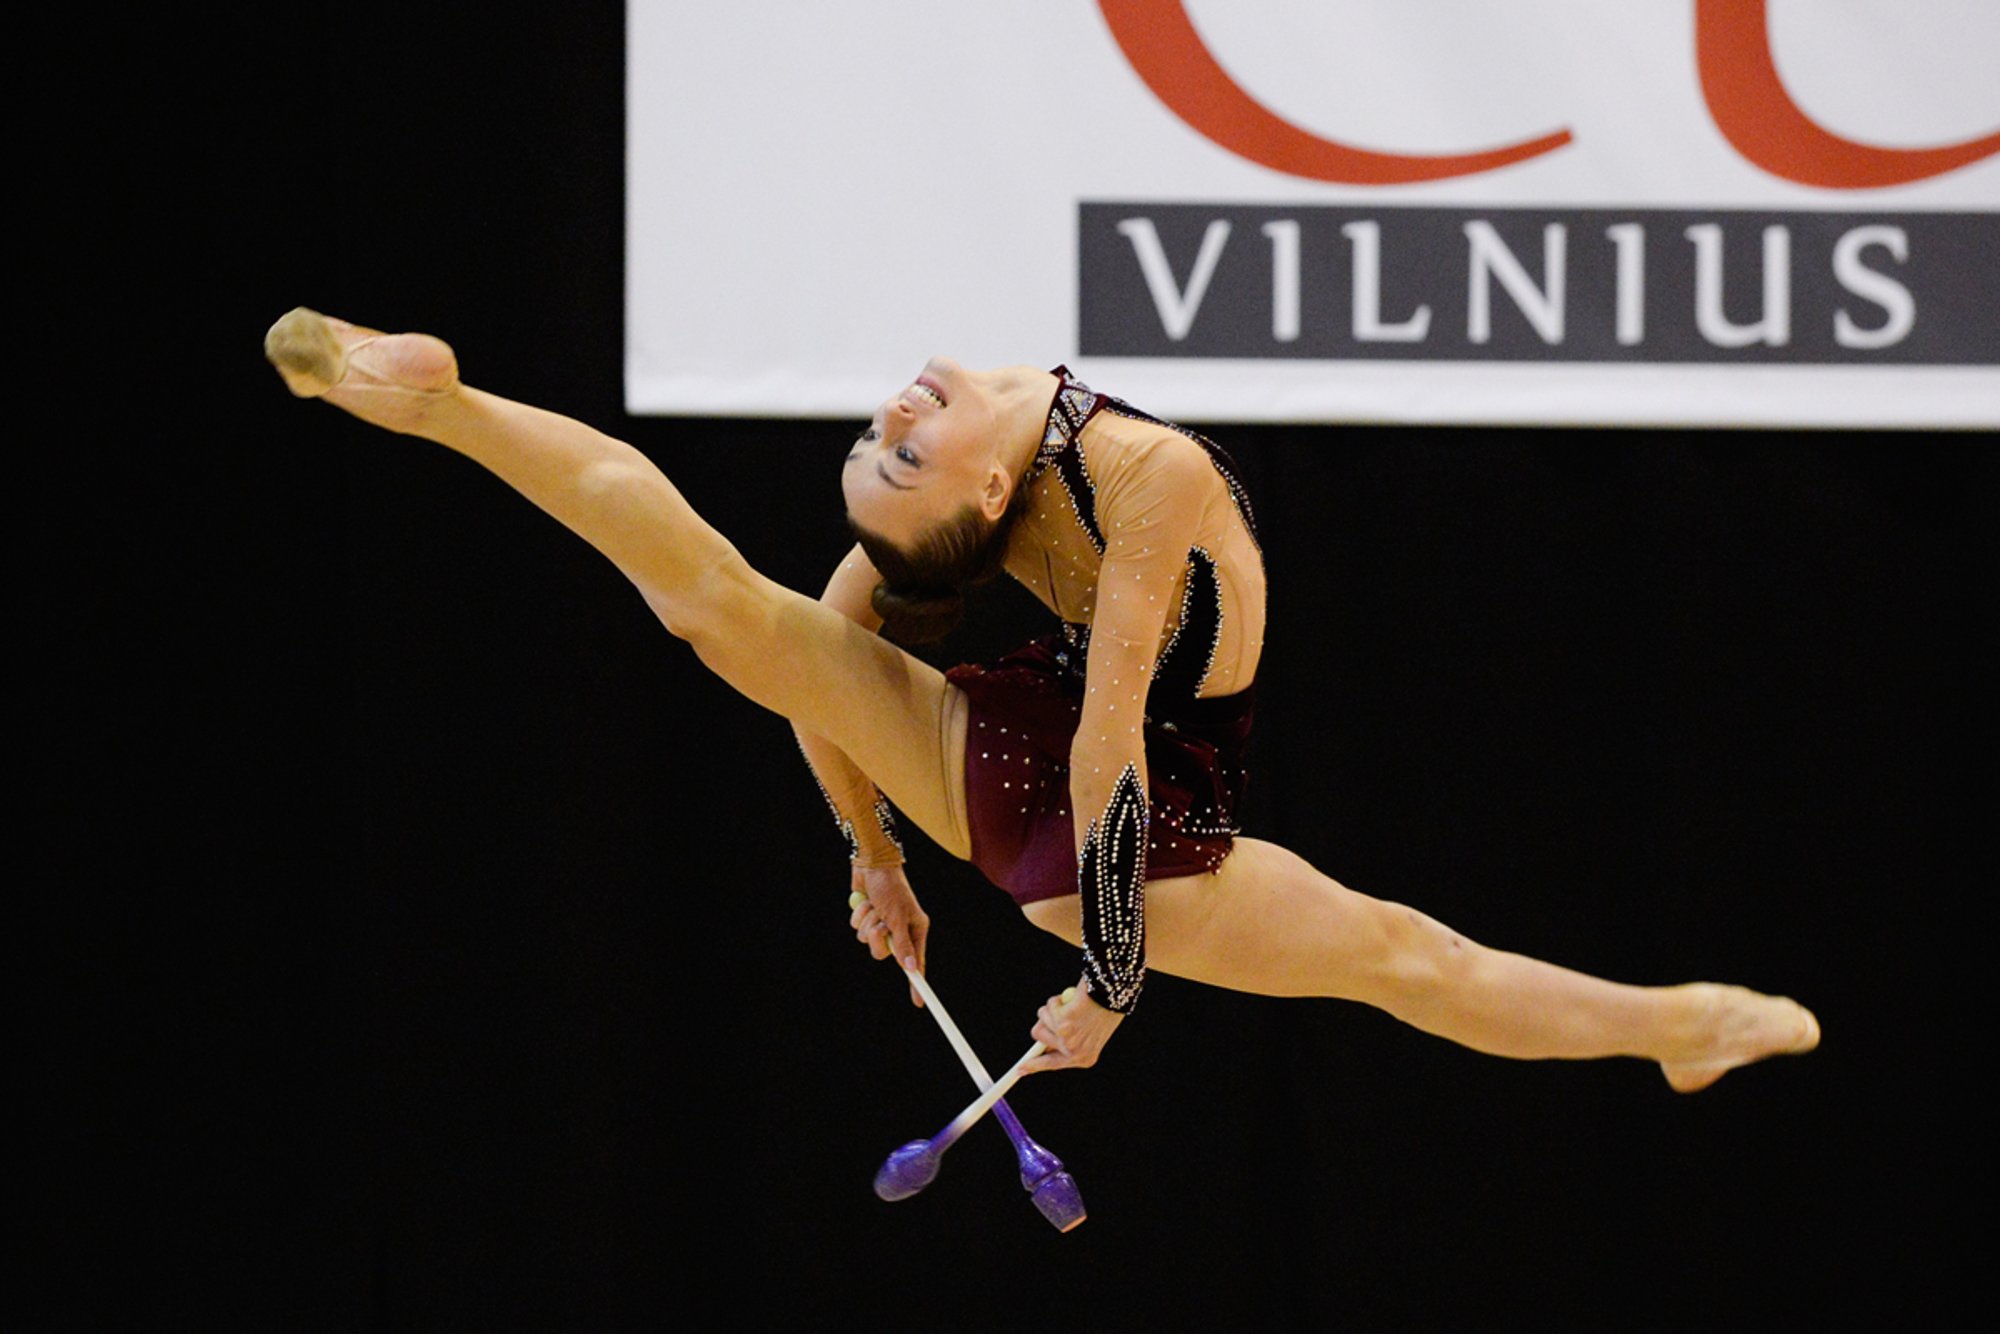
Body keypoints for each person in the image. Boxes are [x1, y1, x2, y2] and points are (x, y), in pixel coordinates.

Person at [263, 307, 1819, 1087]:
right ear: (990, 506)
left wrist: (1045, 942)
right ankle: (1673, 1027)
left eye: (883, 444)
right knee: (1407, 957)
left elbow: (895, 686)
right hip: (1102, 807)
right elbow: (1091, 749)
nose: (892, 413)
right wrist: (926, 883)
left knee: (718, 609)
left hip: (1063, 760)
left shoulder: (1071, 456)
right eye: (896, 452)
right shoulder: (1136, 476)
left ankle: (442, 409)